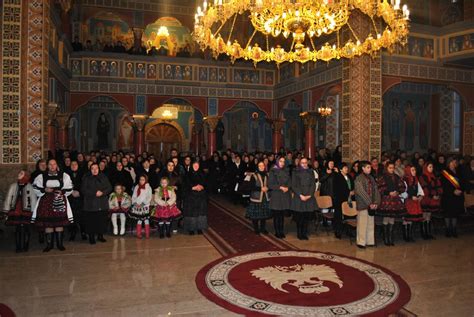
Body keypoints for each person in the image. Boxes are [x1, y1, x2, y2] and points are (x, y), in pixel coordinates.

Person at [32, 159, 74, 252]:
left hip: (59, 200)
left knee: (59, 222)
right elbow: (34, 187)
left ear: (56, 165)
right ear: (47, 166)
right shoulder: (41, 176)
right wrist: (44, 190)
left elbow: (70, 187)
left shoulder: (64, 175)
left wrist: (62, 191)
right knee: (48, 223)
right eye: (50, 164)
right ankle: (49, 245)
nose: (52, 166)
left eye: (54, 164)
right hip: (46, 201)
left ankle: (60, 244)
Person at [3, 170, 37, 252]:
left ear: (26, 176)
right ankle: (18, 246)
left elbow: (33, 199)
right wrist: (6, 209)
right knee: (18, 228)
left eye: (21, 173)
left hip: (26, 210)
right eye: (19, 173)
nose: (19, 174)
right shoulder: (13, 186)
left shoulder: (30, 187)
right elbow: (8, 198)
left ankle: (26, 245)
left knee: (26, 227)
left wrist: (33, 211)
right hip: (16, 210)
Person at [81, 163, 112, 244]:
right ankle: (91, 237)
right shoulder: (86, 177)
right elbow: (83, 189)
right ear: (90, 170)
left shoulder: (103, 177)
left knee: (101, 220)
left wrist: (102, 192)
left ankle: (100, 236)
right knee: (91, 221)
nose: (95, 170)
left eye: (96, 168)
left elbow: (109, 187)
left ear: (99, 169)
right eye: (92, 168)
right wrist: (94, 193)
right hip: (90, 203)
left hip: (102, 203)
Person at [377, 161, 406, 246]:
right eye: (390, 168)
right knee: (386, 218)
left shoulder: (396, 176)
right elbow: (380, 188)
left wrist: (397, 192)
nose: (392, 169)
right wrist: (388, 193)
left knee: (392, 218)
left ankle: (391, 238)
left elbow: (402, 186)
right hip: (386, 199)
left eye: (393, 168)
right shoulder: (382, 177)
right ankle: (386, 239)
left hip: (395, 199)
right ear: (386, 168)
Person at [354, 161, 380, 249]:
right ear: (363, 168)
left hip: (371, 205)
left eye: (370, 167)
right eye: (368, 167)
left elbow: (376, 190)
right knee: (362, 224)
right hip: (363, 204)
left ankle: (370, 241)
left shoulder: (371, 178)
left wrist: (376, 202)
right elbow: (361, 192)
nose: (370, 169)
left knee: (370, 223)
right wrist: (370, 203)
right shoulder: (358, 178)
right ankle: (361, 242)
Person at [291, 157, 317, 240]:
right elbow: (294, 185)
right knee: (299, 217)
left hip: (309, 197)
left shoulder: (311, 171)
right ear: (299, 163)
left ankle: (304, 233)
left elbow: (313, 184)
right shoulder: (295, 171)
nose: (304, 164)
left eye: (305, 162)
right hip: (299, 197)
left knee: (306, 217)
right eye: (302, 163)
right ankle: (299, 233)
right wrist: (300, 195)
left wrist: (309, 195)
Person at [245, 161, 272, 234]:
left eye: (263, 165)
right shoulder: (254, 175)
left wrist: (268, 188)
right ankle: (256, 228)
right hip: (256, 197)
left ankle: (263, 228)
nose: (261, 167)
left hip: (265, 197)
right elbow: (251, 187)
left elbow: (271, 185)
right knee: (255, 215)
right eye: (260, 166)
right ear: (257, 167)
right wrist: (261, 189)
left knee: (264, 214)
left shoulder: (267, 175)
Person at [441, 157, 464, 238]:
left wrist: (460, 190)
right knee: (448, 214)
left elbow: (462, 182)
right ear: (449, 163)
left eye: (455, 162)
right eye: (452, 162)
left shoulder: (458, 171)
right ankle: (448, 230)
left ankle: (454, 230)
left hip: (457, 197)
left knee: (454, 213)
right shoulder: (445, 172)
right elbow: (444, 185)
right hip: (448, 196)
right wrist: (452, 191)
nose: (454, 164)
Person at [268, 156, 291, 238]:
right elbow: (270, 185)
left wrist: (287, 187)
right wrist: (280, 187)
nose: (282, 163)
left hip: (284, 195)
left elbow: (289, 181)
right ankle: (277, 232)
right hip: (276, 195)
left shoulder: (286, 170)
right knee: (276, 215)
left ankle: (281, 231)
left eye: (283, 161)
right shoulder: (273, 170)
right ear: (277, 161)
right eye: (280, 161)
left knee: (282, 215)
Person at [183, 161, 208, 235]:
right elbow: (184, 185)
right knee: (191, 213)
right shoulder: (187, 174)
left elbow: (207, 183)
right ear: (191, 165)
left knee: (200, 213)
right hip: (191, 196)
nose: (196, 166)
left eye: (197, 165)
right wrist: (193, 187)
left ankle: (199, 228)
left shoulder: (203, 174)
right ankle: (191, 229)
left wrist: (202, 186)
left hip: (201, 195)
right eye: (194, 165)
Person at [420, 162, 443, 239]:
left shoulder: (434, 176)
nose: (431, 168)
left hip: (433, 198)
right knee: (424, 215)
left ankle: (428, 233)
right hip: (426, 198)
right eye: (429, 167)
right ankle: (424, 234)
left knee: (429, 216)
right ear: (426, 168)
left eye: (432, 167)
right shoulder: (422, 177)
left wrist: (438, 194)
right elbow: (424, 188)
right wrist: (432, 195)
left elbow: (438, 186)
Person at [402, 165, 424, 242]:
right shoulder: (404, 180)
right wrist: (410, 197)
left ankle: (410, 235)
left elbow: (420, 190)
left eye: (415, 170)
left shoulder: (416, 179)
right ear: (408, 171)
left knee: (411, 219)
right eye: (412, 170)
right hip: (407, 201)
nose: (414, 171)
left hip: (414, 201)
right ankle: (405, 236)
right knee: (406, 219)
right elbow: (402, 192)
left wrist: (420, 195)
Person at [333, 163, 354, 239]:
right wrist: (348, 192)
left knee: (348, 215)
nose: (347, 169)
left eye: (347, 167)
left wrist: (352, 191)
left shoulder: (349, 177)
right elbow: (338, 189)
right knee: (338, 216)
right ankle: (338, 231)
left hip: (349, 199)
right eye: (345, 168)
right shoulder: (337, 177)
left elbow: (352, 186)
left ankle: (348, 231)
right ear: (341, 169)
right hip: (340, 199)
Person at [66, 161, 85, 241]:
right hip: (71, 199)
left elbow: (86, 185)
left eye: (75, 164)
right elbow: (65, 186)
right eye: (72, 164)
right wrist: (71, 192)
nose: (74, 166)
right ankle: (73, 233)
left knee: (82, 217)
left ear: (78, 165)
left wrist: (80, 192)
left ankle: (83, 232)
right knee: (72, 217)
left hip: (81, 199)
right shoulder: (66, 175)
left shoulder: (83, 174)